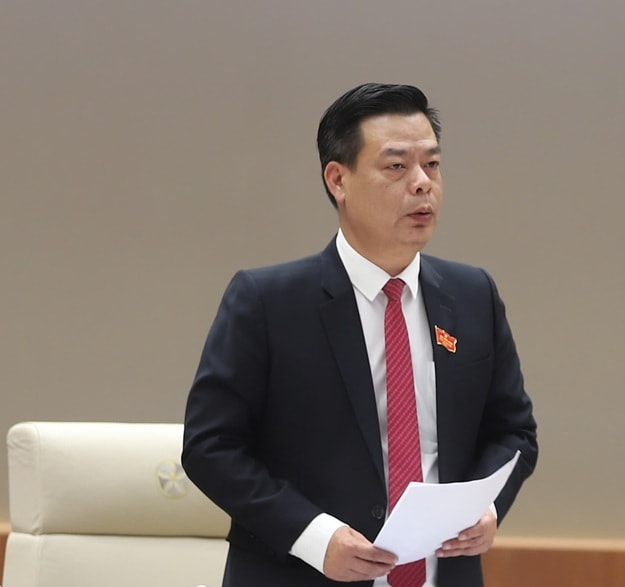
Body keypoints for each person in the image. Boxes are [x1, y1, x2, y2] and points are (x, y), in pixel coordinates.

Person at [182, 82, 538, 587]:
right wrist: (315, 537)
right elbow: (211, 447)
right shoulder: (268, 302)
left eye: (432, 165)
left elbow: (513, 431)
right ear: (338, 180)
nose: (422, 184)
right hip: (303, 574)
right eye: (397, 166)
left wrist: (486, 508)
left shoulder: (472, 294)